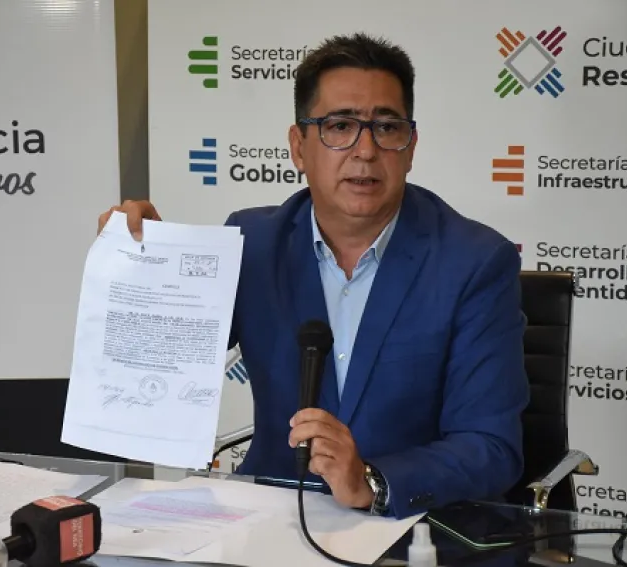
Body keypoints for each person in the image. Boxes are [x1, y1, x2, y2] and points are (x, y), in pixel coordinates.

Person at [97, 33, 529, 520]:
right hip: (272, 516)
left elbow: (491, 446)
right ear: (298, 147)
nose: (365, 150)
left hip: (411, 525)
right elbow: (161, 371)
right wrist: (144, 273)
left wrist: (370, 480)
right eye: (340, 126)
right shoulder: (253, 243)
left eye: (386, 127)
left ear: (410, 148)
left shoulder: (473, 261)